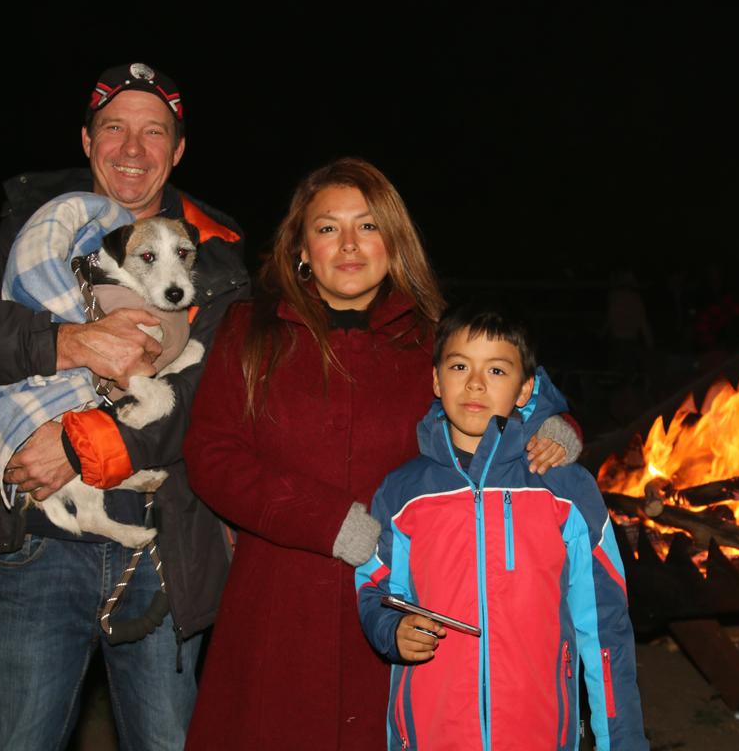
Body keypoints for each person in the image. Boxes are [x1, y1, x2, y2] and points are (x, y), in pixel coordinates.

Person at [182, 158, 581, 749]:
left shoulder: (432, 336)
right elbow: (213, 455)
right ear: (300, 247)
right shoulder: (251, 331)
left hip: (408, 600)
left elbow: (511, 381)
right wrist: (324, 520)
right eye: (327, 228)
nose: (348, 245)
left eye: (367, 227)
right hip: (279, 603)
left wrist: (557, 423)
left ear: (394, 242)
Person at [0, 62, 249, 750]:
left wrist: (81, 444)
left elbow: (219, 401)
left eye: (153, 133)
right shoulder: (29, 236)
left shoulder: (217, 260)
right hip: (37, 547)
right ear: (88, 141)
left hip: (163, 551)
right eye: (114, 129)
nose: (132, 149)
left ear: (177, 151)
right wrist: (65, 341)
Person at [355, 304, 649, 751]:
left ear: (525, 388)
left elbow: (605, 628)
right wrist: (390, 629)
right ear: (436, 380)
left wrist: (623, 742)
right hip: (432, 734)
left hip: (539, 732)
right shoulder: (403, 492)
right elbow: (375, 588)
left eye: (496, 369)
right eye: (459, 366)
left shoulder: (565, 490)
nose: (475, 383)